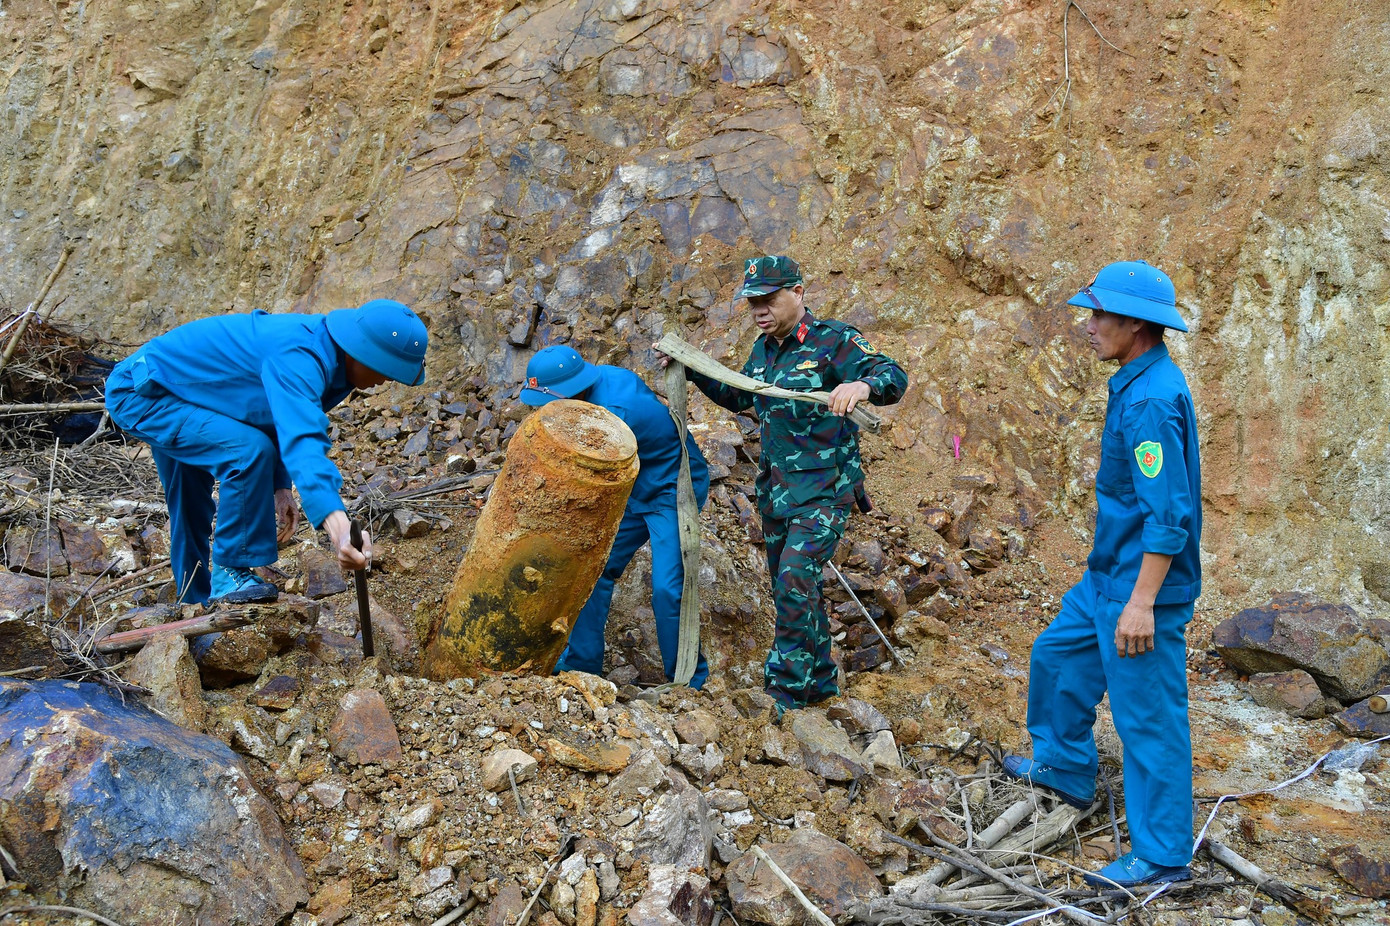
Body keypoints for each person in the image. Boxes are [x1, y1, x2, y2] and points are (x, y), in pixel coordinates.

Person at [1002, 260, 1201, 889]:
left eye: (1099, 315)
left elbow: (1169, 519)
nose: (1088, 326)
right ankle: (1063, 765)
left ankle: (1164, 856)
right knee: (1056, 657)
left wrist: (1142, 605)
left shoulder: (1149, 403)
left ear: (1135, 324)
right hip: (1105, 577)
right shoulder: (1134, 381)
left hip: (1140, 589)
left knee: (1148, 720)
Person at [664, 255, 907, 712]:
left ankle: (786, 691)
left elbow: (892, 376)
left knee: (795, 578)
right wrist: (690, 367)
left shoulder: (833, 341)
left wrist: (863, 387)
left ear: (798, 292)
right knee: (793, 587)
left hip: (824, 492)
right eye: (752, 301)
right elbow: (740, 395)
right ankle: (820, 683)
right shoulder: (765, 349)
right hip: (777, 491)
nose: (759, 309)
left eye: (769, 299)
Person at [105, 300, 428, 606]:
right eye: (387, 369)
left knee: (194, 500)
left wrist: (280, 487)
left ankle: (193, 601)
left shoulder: (332, 360)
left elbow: (275, 417)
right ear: (363, 353)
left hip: (190, 393)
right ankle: (231, 571)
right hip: (143, 392)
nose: (386, 379)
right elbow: (303, 441)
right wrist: (339, 528)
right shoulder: (298, 355)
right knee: (245, 452)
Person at [519, 345, 712, 688]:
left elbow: (588, 481)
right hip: (634, 486)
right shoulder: (599, 382)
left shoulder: (614, 415)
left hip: (672, 487)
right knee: (592, 570)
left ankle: (688, 682)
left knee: (668, 588)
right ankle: (582, 667)